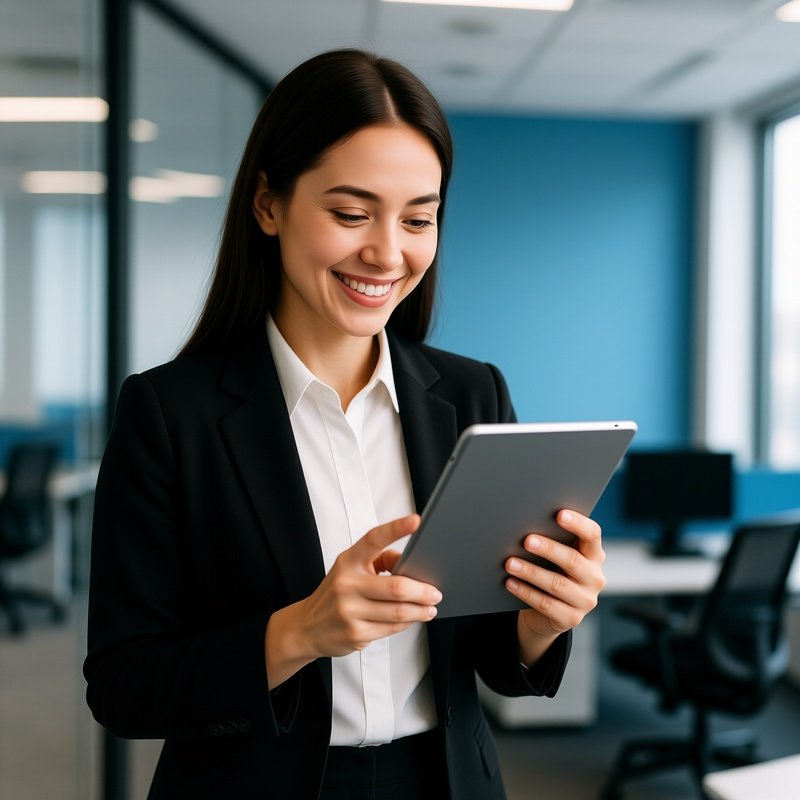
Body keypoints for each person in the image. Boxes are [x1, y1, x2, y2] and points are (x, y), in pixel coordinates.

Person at [84, 48, 606, 800]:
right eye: (351, 214)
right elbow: (123, 686)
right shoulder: (171, 414)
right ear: (268, 205)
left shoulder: (472, 395)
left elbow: (496, 658)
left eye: (418, 219)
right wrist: (300, 631)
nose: (387, 253)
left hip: (445, 784)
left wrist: (545, 619)